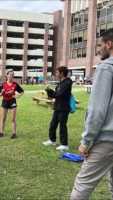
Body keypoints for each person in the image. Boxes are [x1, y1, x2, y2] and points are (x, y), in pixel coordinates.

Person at [70, 28, 113, 199]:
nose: (98, 49)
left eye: (100, 45)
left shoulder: (106, 68)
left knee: (82, 186)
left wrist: (85, 141)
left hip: (106, 141)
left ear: (109, 44)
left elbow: (97, 110)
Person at [43, 66, 72, 151]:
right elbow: (55, 94)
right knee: (53, 124)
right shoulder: (60, 83)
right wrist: (49, 91)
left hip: (63, 108)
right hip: (57, 107)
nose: (56, 74)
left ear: (62, 73)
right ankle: (52, 140)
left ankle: (64, 144)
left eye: (57, 72)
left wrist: (51, 92)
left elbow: (60, 94)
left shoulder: (67, 83)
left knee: (62, 126)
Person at [0, 71, 24, 139]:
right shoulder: (3, 84)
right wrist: (2, 92)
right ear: (7, 75)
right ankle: (1, 132)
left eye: (12, 75)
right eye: (10, 74)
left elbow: (22, 91)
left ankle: (14, 133)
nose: (11, 76)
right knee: (3, 118)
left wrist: (18, 96)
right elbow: (0, 95)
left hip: (12, 101)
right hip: (5, 102)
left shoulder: (15, 84)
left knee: (12, 119)